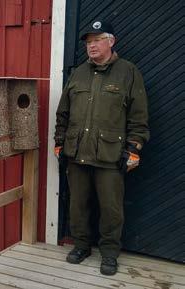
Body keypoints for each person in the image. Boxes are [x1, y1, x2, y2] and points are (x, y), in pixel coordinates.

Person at [54, 20, 150, 275]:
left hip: (110, 156)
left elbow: (139, 118)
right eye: (88, 42)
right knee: (78, 205)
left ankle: (109, 254)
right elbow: (63, 112)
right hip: (77, 153)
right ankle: (81, 246)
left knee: (111, 209)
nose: (91, 46)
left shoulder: (128, 72)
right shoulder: (78, 73)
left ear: (111, 41)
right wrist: (59, 144)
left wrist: (133, 148)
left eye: (97, 40)